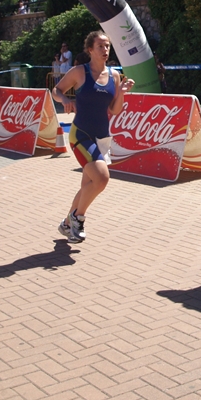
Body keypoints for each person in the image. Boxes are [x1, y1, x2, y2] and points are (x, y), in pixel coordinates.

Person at [51, 30, 135, 243]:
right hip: (81, 134)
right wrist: (64, 100)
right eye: (100, 46)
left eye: (107, 46)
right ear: (90, 50)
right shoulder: (80, 72)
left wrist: (122, 93)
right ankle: (78, 218)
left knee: (88, 186)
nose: (105, 50)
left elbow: (115, 110)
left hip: (102, 137)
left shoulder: (114, 75)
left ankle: (67, 224)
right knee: (102, 178)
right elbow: (56, 90)